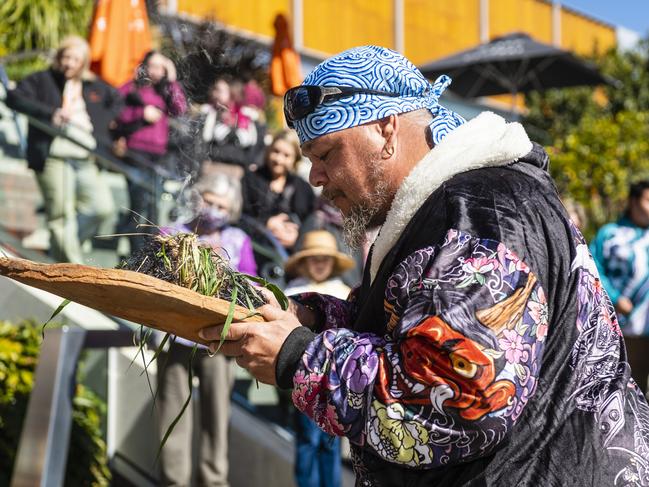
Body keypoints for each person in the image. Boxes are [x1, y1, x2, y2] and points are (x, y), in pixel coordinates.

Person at [199, 46, 649, 486]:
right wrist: (316, 319)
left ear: (386, 128)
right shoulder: (451, 209)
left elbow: (456, 401)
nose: (315, 177)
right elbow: (415, 331)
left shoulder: (482, 213)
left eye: (326, 153)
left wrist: (297, 357)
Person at [157, 173, 256, 487]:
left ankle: (214, 481)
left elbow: (251, 285)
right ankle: (174, 481)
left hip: (219, 340)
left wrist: (222, 270)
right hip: (175, 335)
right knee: (172, 412)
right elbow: (154, 277)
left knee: (217, 415)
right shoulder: (172, 233)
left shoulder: (238, 240)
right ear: (196, 197)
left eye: (222, 206)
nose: (214, 210)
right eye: (209, 201)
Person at [6, 36, 121, 263]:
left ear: (83, 62)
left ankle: (64, 246)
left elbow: (119, 101)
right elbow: (14, 98)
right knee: (61, 216)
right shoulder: (43, 79)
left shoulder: (92, 85)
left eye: (75, 59)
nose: (70, 63)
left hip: (84, 156)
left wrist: (105, 128)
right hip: (53, 156)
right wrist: (50, 113)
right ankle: (72, 266)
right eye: (66, 57)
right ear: (59, 57)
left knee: (102, 207)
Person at [284, 230, 354, 487]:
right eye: (315, 258)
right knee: (307, 440)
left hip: (334, 383)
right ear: (304, 262)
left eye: (325, 258)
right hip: (302, 379)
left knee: (329, 442)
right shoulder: (293, 292)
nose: (320, 263)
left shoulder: (343, 292)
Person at [113, 50, 187, 254]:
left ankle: (146, 251)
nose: (156, 71)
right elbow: (116, 110)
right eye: (153, 65)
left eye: (161, 67)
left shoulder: (164, 91)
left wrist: (172, 80)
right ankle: (133, 249)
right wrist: (141, 113)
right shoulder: (132, 87)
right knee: (138, 204)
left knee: (153, 207)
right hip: (135, 152)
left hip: (158, 156)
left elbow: (180, 108)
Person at [591, 180, 649, 391]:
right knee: (630, 388)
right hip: (626, 327)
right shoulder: (610, 234)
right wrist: (615, 298)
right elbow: (593, 269)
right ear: (633, 201)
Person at [241, 130, 315, 253]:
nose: (279, 159)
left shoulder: (303, 189)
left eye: (286, 155)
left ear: (295, 159)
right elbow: (241, 217)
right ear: (268, 151)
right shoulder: (251, 179)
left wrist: (297, 238)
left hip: (293, 254)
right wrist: (267, 223)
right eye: (276, 151)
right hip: (254, 247)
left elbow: (310, 221)